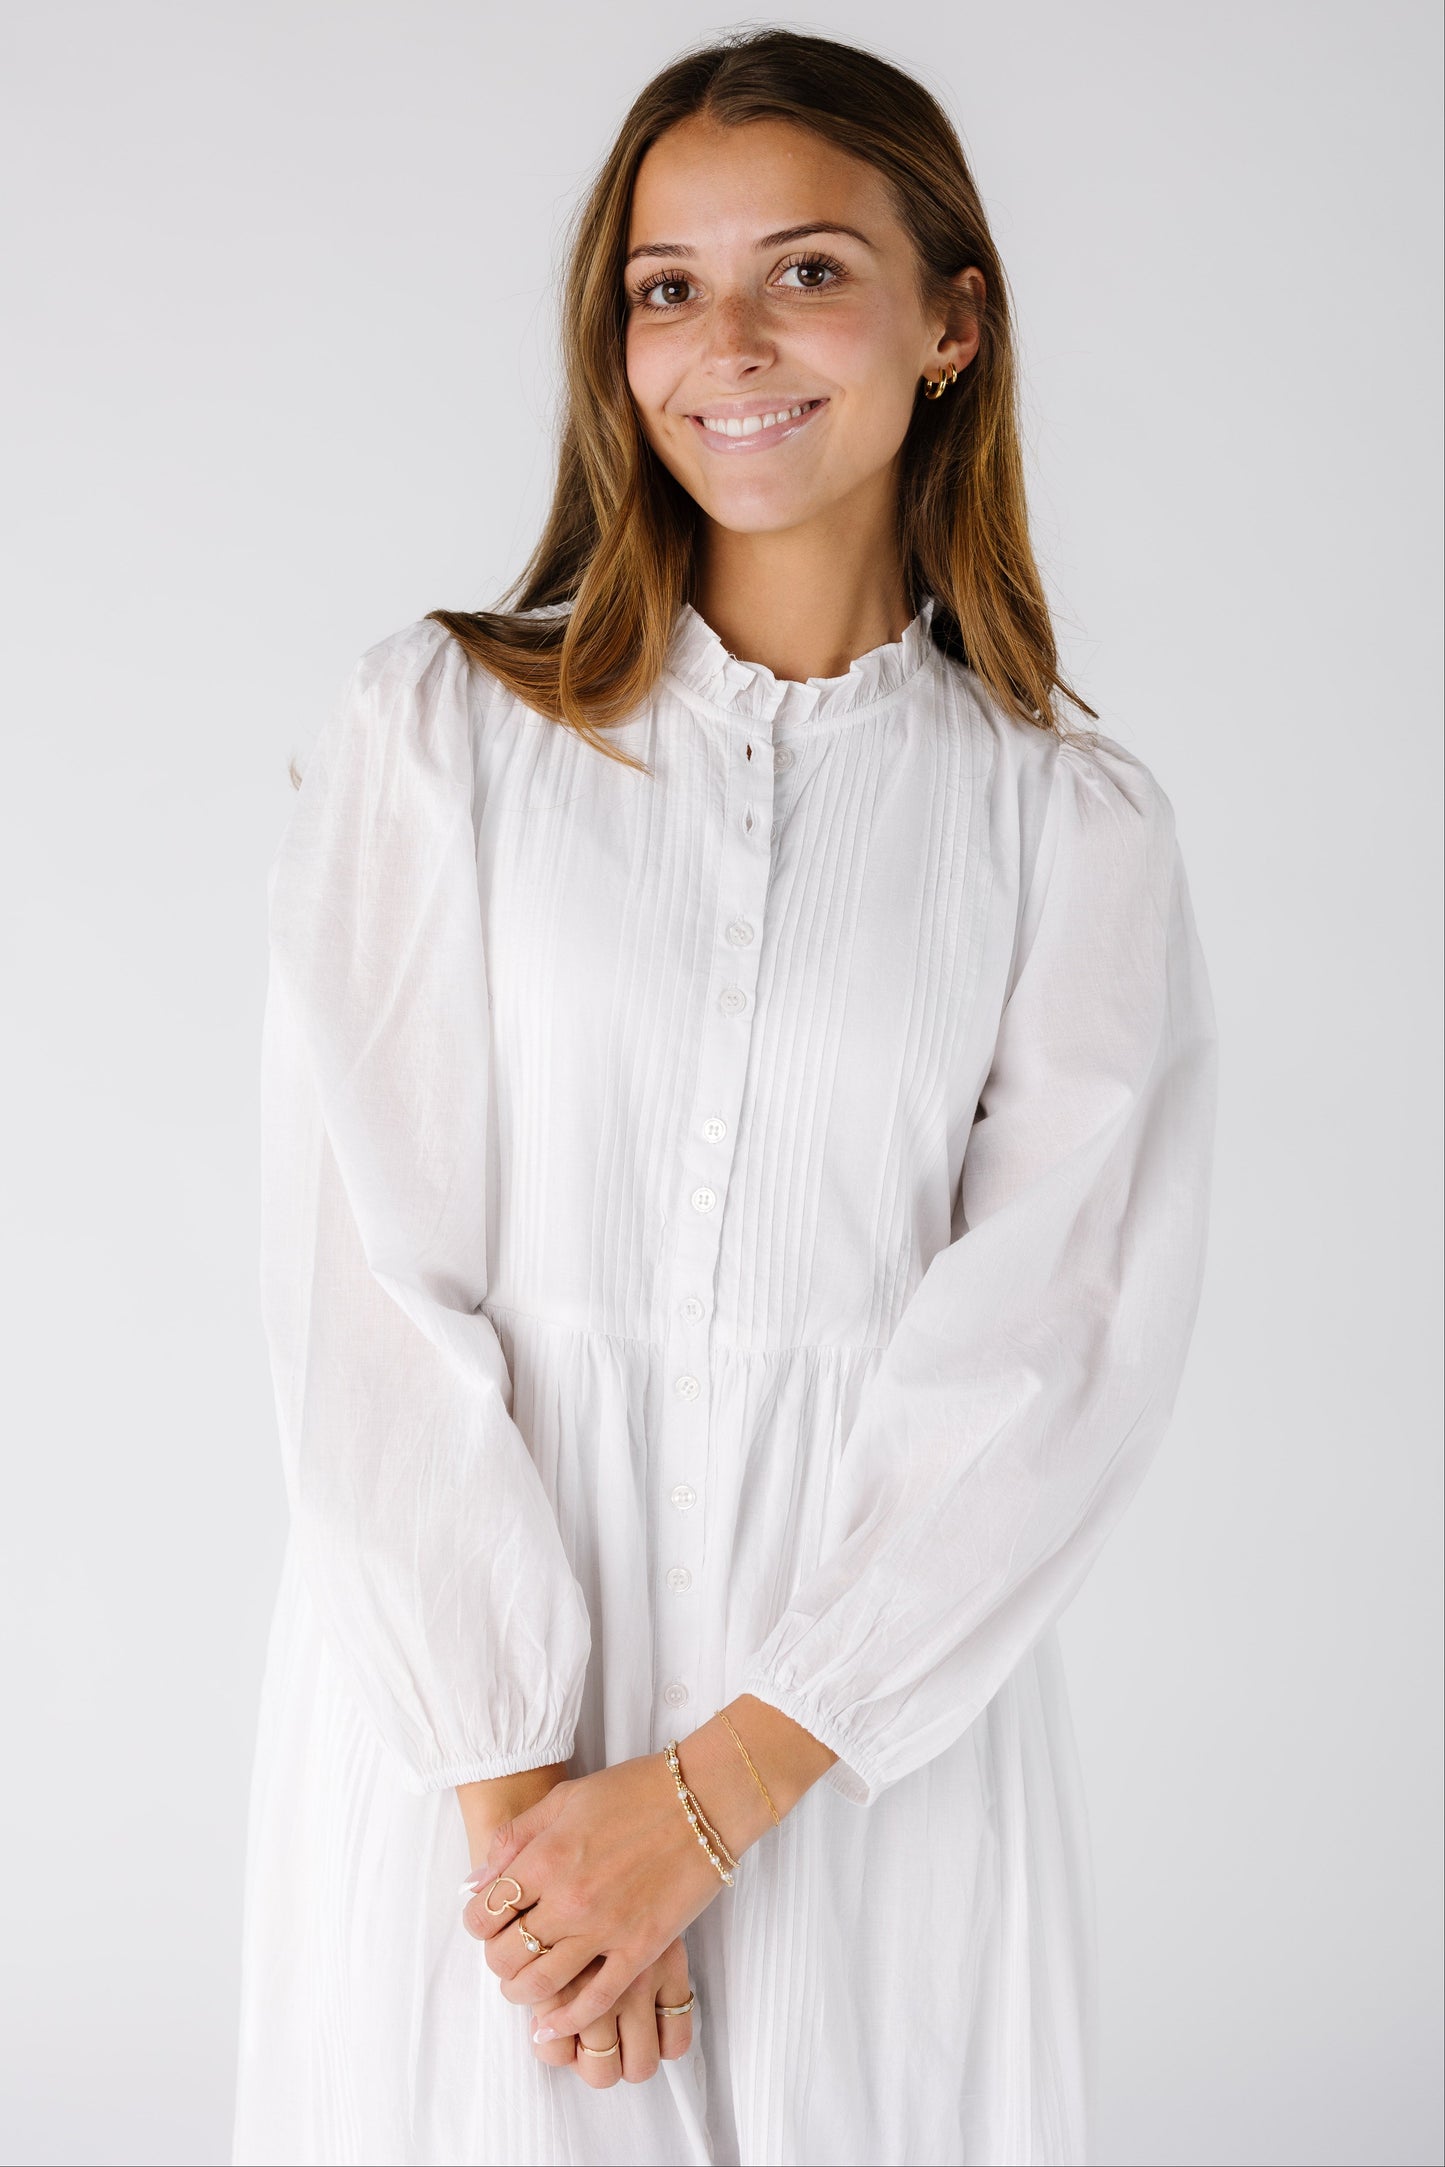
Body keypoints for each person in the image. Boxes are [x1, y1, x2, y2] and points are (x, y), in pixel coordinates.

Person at [232, 26, 1218, 2167]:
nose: (728, 341)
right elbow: (367, 1297)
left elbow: (1054, 1353)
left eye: (808, 271)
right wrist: (541, 1837)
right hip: (465, 1735)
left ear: (953, 321)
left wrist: (714, 1796)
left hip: (859, 1742)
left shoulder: (1071, 828)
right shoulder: (441, 732)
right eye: (664, 285)